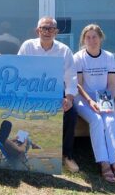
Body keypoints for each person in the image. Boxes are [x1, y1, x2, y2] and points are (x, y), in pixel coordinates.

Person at [17, 16, 80, 173]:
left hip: (55, 92)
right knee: (18, 108)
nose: (47, 31)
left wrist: (69, 98)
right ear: (37, 30)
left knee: (71, 113)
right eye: (44, 28)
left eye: (51, 28)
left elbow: (71, 77)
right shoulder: (27, 46)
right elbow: (17, 68)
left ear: (56, 32)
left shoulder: (64, 51)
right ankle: (19, 147)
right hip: (31, 92)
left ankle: (66, 155)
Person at [73, 24, 115, 186]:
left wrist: (106, 102)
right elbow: (78, 85)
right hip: (83, 98)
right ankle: (104, 164)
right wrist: (90, 101)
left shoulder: (109, 57)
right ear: (83, 39)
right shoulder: (78, 57)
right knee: (97, 121)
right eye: (88, 37)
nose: (91, 40)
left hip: (104, 97)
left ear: (101, 38)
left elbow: (111, 84)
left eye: (94, 37)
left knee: (110, 122)